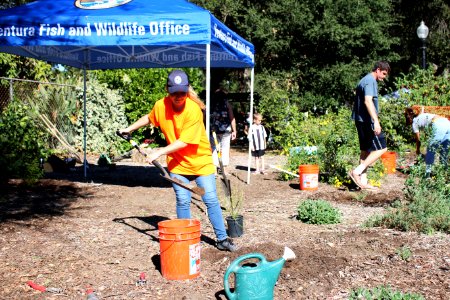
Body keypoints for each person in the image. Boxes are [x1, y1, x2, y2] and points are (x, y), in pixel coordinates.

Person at [119, 70, 236, 252]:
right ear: (168, 90)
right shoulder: (161, 105)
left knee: (211, 199)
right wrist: (129, 129)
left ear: (187, 90)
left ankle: (221, 239)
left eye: (182, 92)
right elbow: (150, 118)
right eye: (174, 93)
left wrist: (158, 152)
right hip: (178, 165)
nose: (178, 97)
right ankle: (185, 239)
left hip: (200, 162)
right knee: (183, 200)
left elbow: (184, 141)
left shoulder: (193, 109)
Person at [349, 61, 390, 190]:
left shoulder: (365, 80)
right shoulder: (370, 81)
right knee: (382, 148)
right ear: (378, 70)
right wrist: (376, 121)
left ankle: (363, 182)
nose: (383, 77)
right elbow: (368, 101)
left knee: (365, 150)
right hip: (367, 121)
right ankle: (356, 171)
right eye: (383, 74)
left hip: (360, 120)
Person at [404, 107, 449, 176]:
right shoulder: (420, 115)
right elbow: (422, 108)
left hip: (438, 124)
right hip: (447, 122)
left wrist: (418, 150)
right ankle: (444, 175)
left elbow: (418, 140)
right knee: (444, 151)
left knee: (430, 150)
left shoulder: (414, 124)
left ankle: (427, 175)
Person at [210, 86, 237, 175]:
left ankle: (214, 169)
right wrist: (234, 130)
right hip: (225, 129)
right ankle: (224, 169)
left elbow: (205, 116)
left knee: (214, 148)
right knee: (225, 148)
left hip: (214, 129)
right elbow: (232, 117)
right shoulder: (227, 103)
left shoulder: (210, 103)